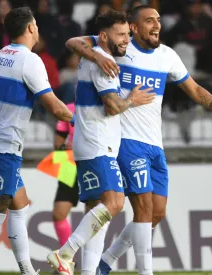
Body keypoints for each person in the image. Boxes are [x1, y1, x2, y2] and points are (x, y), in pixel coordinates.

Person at [65, 5, 212, 275]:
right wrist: (97, 56)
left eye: (159, 20)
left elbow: (195, 90)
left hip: (154, 143)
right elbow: (73, 43)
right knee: (144, 206)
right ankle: (144, 271)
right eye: (149, 20)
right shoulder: (119, 50)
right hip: (126, 140)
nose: (157, 25)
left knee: (157, 212)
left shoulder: (167, 56)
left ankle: (106, 262)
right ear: (133, 27)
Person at [0, 7, 74, 275]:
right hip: (3, 146)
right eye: (36, 25)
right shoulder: (30, 60)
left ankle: (27, 270)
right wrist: (82, 121)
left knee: (20, 204)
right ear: (31, 28)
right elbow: (55, 107)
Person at [46, 9, 155, 275]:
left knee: (98, 215)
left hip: (92, 143)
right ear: (104, 36)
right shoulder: (103, 62)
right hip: (97, 144)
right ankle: (65, 253)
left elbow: (74, 41)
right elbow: (112, 106)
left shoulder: (93, 52)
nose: (126, 40)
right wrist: (133, 100)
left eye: (127, 35)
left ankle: (88, 271)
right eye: (120, 35)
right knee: (115, 203)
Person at [52, 102, 78, 248]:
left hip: (94, 163)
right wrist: (64, 148)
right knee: (58, 213)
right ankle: (66, 259)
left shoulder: (104, 104)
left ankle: (91, 263)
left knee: (93, 214)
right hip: (69, 165)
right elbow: (58, 144)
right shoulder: (68, 108)